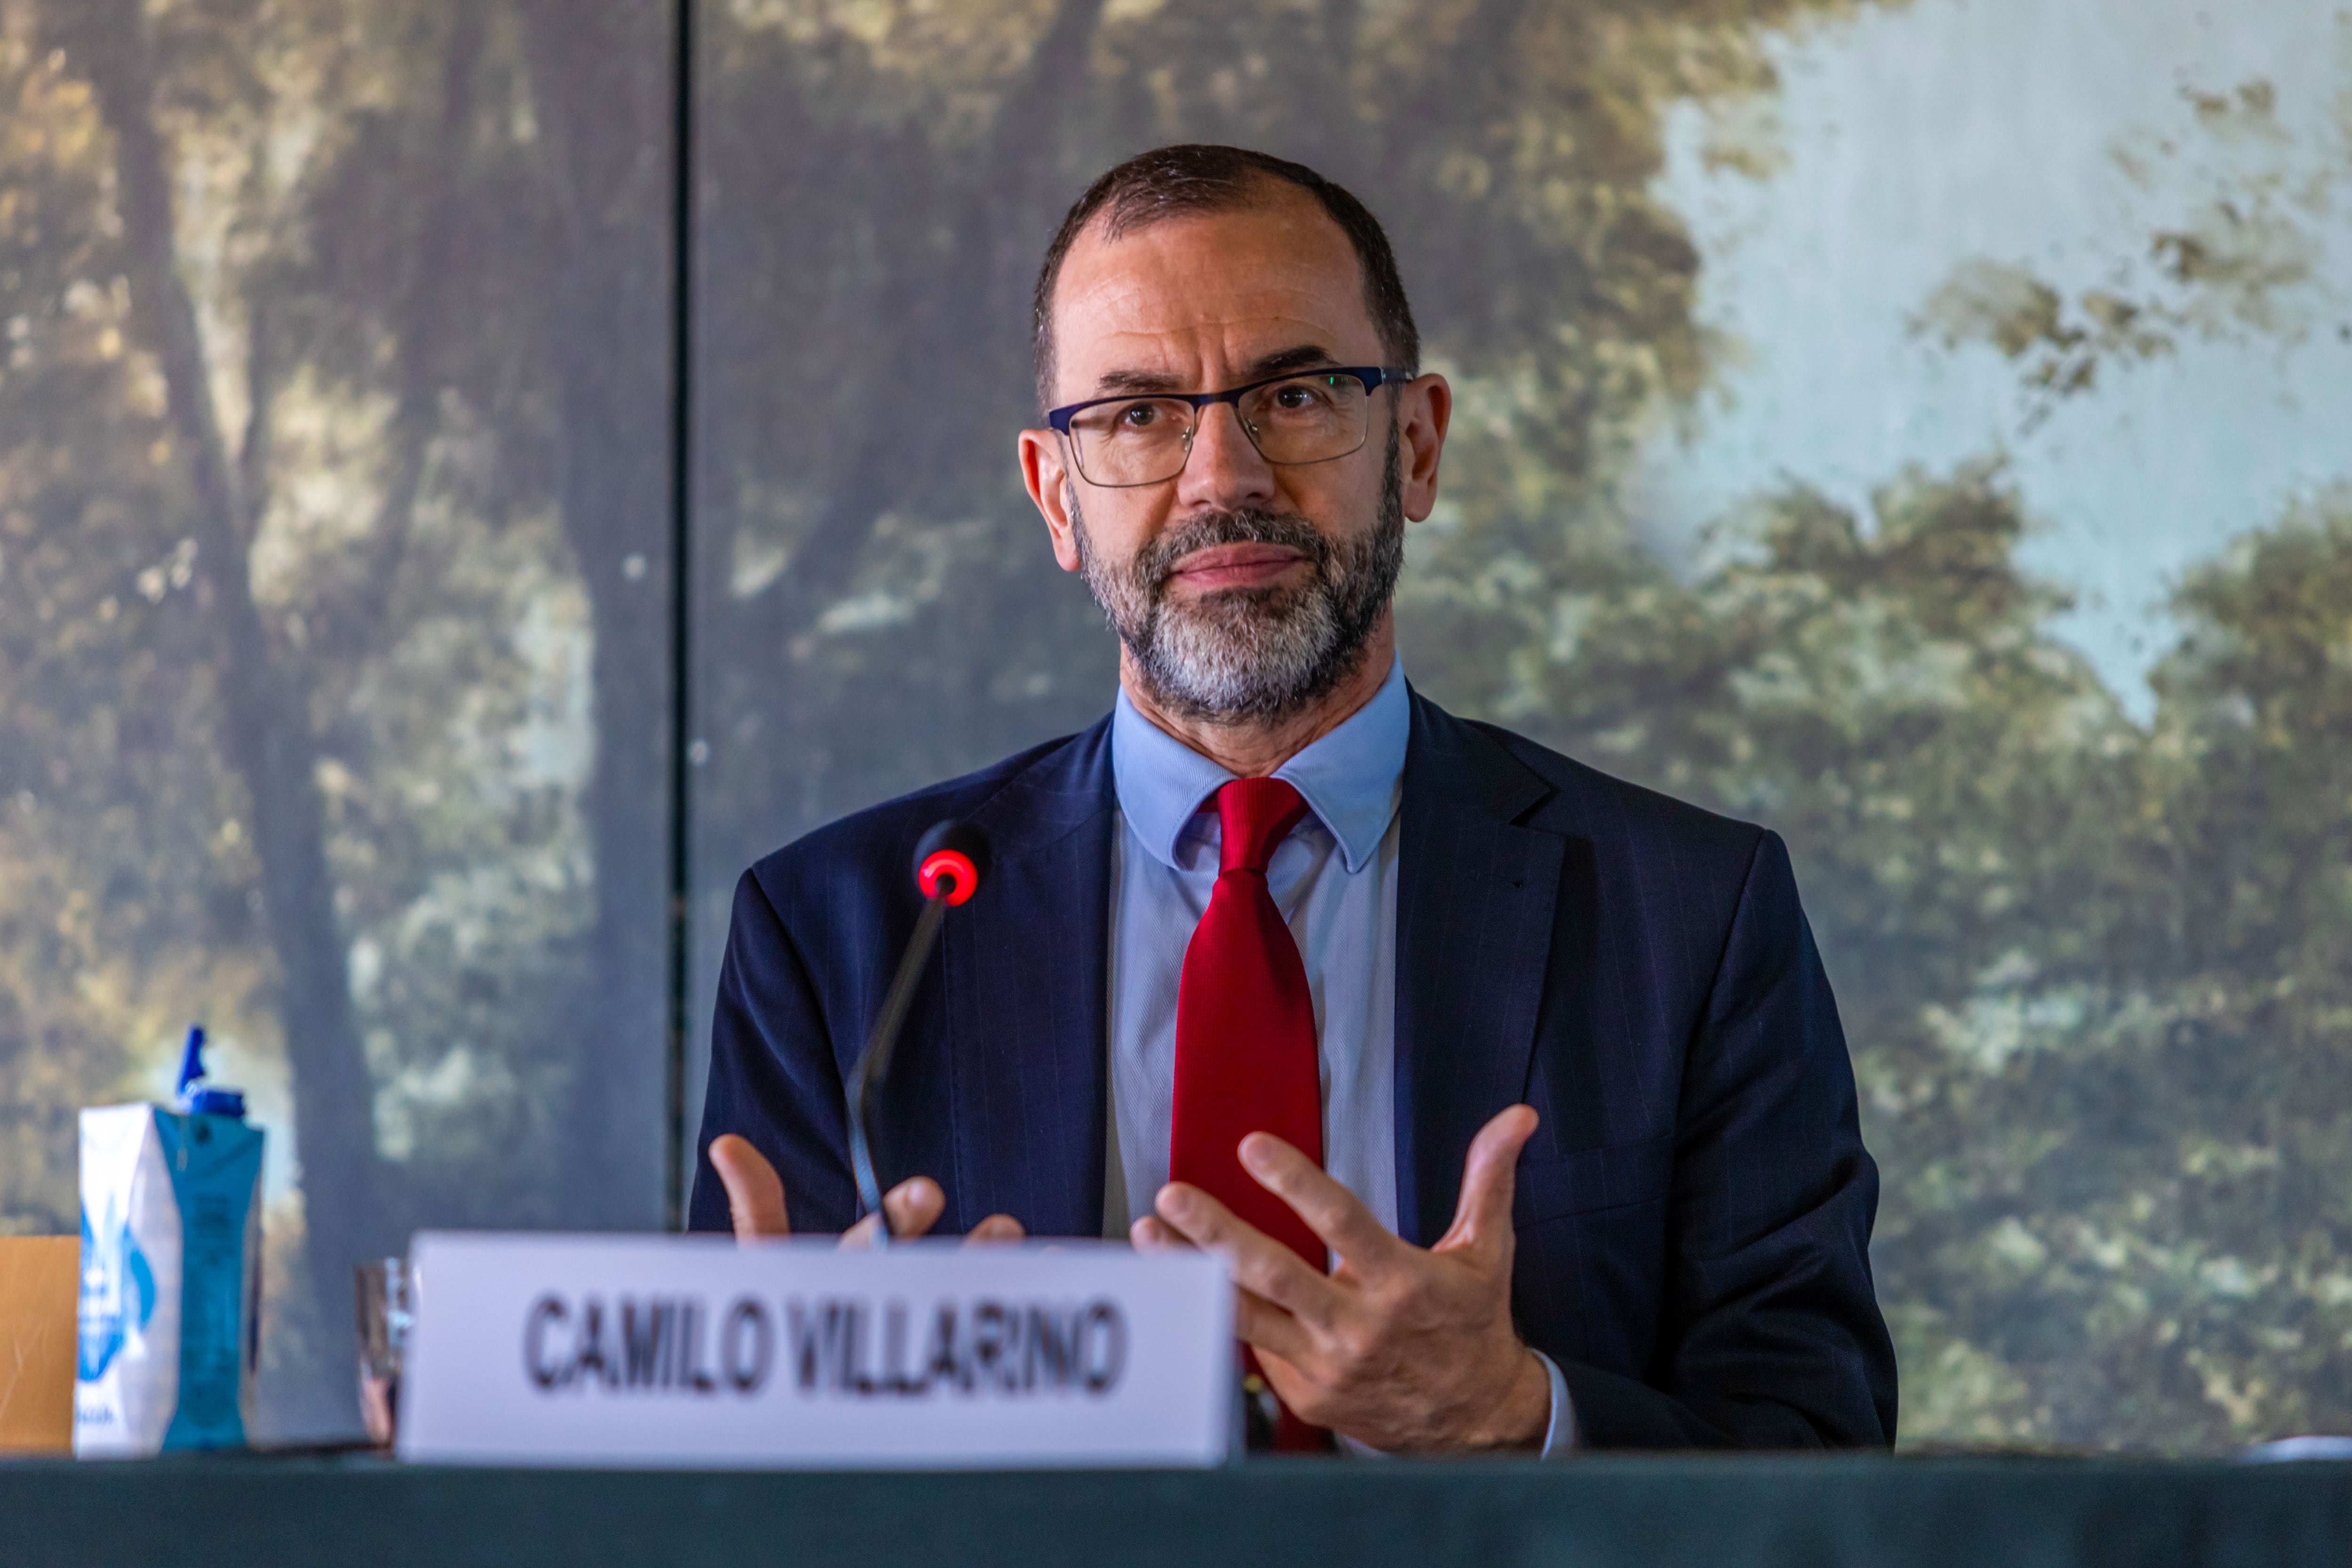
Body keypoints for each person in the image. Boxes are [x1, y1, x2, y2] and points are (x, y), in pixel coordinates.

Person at [689, 144, 1898, 1455]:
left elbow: (1817, 1444)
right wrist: (799, 1417)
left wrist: (1515, 1414)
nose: (1223, 478)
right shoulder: (839, 934)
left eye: (1300, 391)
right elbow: (709, 1487)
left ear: (1417, 445)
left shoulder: (1693, 918)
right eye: (1139, 414)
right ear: (1055, 495)